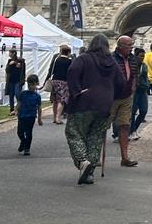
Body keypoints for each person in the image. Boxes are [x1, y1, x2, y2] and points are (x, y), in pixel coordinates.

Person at [65, 34, 122, 185]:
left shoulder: (84, 58)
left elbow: (72, 72)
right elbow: (122, 83)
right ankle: (88, 174)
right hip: (104, 105)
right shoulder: (113, 63)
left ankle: (83, 161)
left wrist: (76, 91)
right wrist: (111, 95)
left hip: (84, 102)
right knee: (95, 138)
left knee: (74, 132)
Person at [108, 35, 139, 167]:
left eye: (132, 45)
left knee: (125, 125)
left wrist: (133, 89)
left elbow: (134, 75)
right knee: (102, 126)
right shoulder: (111, 58)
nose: (131, 48)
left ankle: (124, 157)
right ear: (120, 46)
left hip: (126, 97)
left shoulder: (133, 59)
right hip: (112, 98)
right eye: (129, 45)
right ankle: (95, 156)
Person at [16, 74, 43, 156]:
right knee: (19, 132)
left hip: (31, 116)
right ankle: (23, 142)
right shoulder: (23, 94)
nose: (31, 87)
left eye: (33, 85)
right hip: (22, 116)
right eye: (29, 85)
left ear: (37, 84)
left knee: (28, 132)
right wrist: (15, 110)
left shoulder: (37, 96)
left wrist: (39, 119)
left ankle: (27, 148)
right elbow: (19, 103)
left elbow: (39, 108)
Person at [47, 44, 73, 124]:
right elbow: (70, 72)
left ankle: (55, 117)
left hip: (54, 80)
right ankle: (58, 117)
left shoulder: (56, 60)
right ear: (68, 52)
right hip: (63, 82)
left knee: (55, 100)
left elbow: (51, 70)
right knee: (61, 100)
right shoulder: (69, 61)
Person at [129, 47, 149, 140]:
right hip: (135, 90)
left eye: (143, 56)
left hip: (143, 90)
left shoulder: (144, 65)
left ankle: (134, 129)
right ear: (136, 56)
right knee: (133, 112)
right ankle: (132, 130)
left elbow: (145, 77)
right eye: (141, 56)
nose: (142, 58)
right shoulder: (132, 65)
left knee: (143, 111)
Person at [4, 45, 26, 115]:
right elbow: (7, 71)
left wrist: (16, 64)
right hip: (10, 81)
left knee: (17, 94)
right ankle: (12, 110)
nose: (9, 54)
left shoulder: (21, 61)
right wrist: (10, 65)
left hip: (17, 81)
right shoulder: (9, 61)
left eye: (10, 53)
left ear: (13, 53)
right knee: (11, 95)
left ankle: (19, 108)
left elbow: (23, 71)